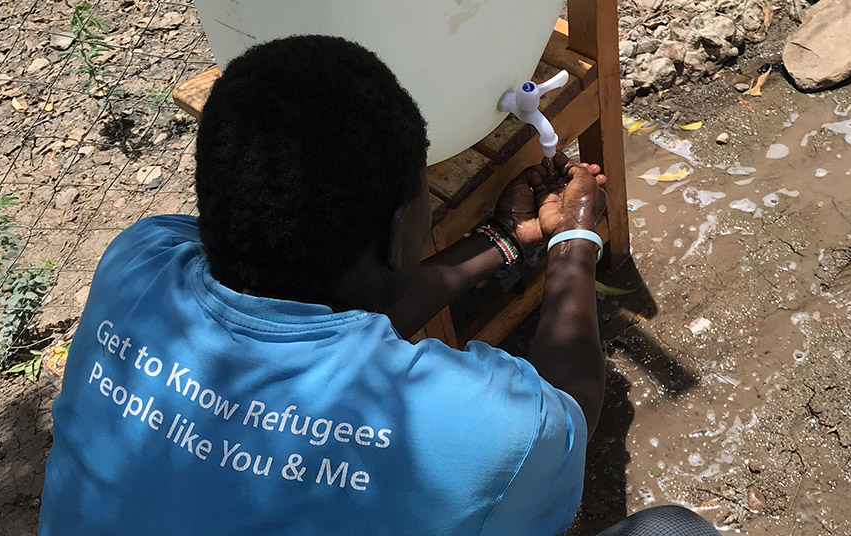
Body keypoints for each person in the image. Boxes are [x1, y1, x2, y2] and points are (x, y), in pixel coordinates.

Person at [39, 35, 719, 536]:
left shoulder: (140, 258)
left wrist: (507, 240)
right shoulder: (481, 429)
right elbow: (566, 408)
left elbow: (324, 319)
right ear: (398, 230)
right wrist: (575, 242)